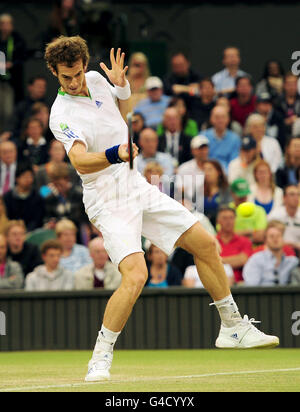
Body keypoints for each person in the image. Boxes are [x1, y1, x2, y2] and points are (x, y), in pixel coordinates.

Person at [45, 36, 278, 382]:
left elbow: (119, 117)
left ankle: (231, 327)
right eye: (67, 77)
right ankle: (100, 357)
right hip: (106, 197)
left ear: (85, 65)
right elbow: (79, 159)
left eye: (78, 72)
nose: (75, 82)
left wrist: (122, 89)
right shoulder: (60, 114)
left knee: (204, 242)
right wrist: (115, 154)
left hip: (133, 181)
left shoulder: (95, 80)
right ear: (54, 72)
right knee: (136, 275)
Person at [0, 14, 27, 131]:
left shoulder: (17, 39)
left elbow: (22, 57)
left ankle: (5, 133)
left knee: (8, 111)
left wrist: (11, 64)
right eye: (3, 24)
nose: (5, 27)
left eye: (8, 24)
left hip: (10, 82)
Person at [1, 76, 48, 142]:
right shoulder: (21, 106)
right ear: (30, 87)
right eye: (39, 86)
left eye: (44, 86)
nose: (42, 89)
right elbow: (12, 126)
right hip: (22, 139)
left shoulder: (50, 106)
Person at [216, 206, 253, 284]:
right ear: (218, 221)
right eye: (224, 218)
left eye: (231, 218)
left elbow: (243, 260)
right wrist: (234, 260)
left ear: (235, 220)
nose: (228, 221)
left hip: (237, 284)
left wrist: (216, 260)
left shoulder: (245, 241)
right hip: (214, 280)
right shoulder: (212, 241)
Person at [3, 163, 45, 231]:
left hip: (32, 232)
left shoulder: (37, 197)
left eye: (30, 177)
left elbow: (38, 219)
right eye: (25, 177)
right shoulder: (8, 197)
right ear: (17, 178)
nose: (28, 180)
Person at [44, 163, 86, 228]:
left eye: (60, 185)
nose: (58, 188)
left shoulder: (79, 195)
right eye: (55, 185)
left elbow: (82, 218)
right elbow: (48, 217)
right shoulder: (50, 198)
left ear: (67, 179)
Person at [203, 105, 241, 172]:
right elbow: (201, 159)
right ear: (211, 119)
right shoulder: (203, 136)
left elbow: (234, 162)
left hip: (227, 174)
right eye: (217, 117)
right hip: (206, 172)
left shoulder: (235, 139)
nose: (220, 120)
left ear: (228, 119)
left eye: (223, 117)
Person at [230, 178, 267, 245]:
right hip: (233, 249)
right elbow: (225, 235)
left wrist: (236, 235)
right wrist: (250, 231)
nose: (243, 197)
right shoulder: (227, 211)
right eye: (240, 194)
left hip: (254, 250)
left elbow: (260, 237)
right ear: (232, 193)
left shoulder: (259, 210)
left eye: (245, 193)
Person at [175, 135, 208, 210]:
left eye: (205, 148)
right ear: (193, 150)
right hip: (190, 205)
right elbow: (180, 190)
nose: (203, 151)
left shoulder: (213, 166)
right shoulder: (184, 168)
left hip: (209, 203)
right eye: (200, 149)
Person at [268, 184, 300, 255]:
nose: (296, 197)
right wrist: (292, 244)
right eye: (292, 194)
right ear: (284, 198)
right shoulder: (275, 215)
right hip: (278, 250)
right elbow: (268, 238)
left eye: (298, 194)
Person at [203, 160, 232, 226]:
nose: (206, 173)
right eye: (204, 170)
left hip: (221, 225)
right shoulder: (199, 190)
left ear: (218, 172)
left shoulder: (227, 190)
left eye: (210, 170)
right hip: (203, 226)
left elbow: (227, 209)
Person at [276, 72, 300, 137]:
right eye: (289, 84)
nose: (292, 87)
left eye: (294, 84)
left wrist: (297, 119)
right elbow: (274, 120)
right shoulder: (277, 101)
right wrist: (285, 121)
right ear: (284, 85)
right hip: (281, 133)